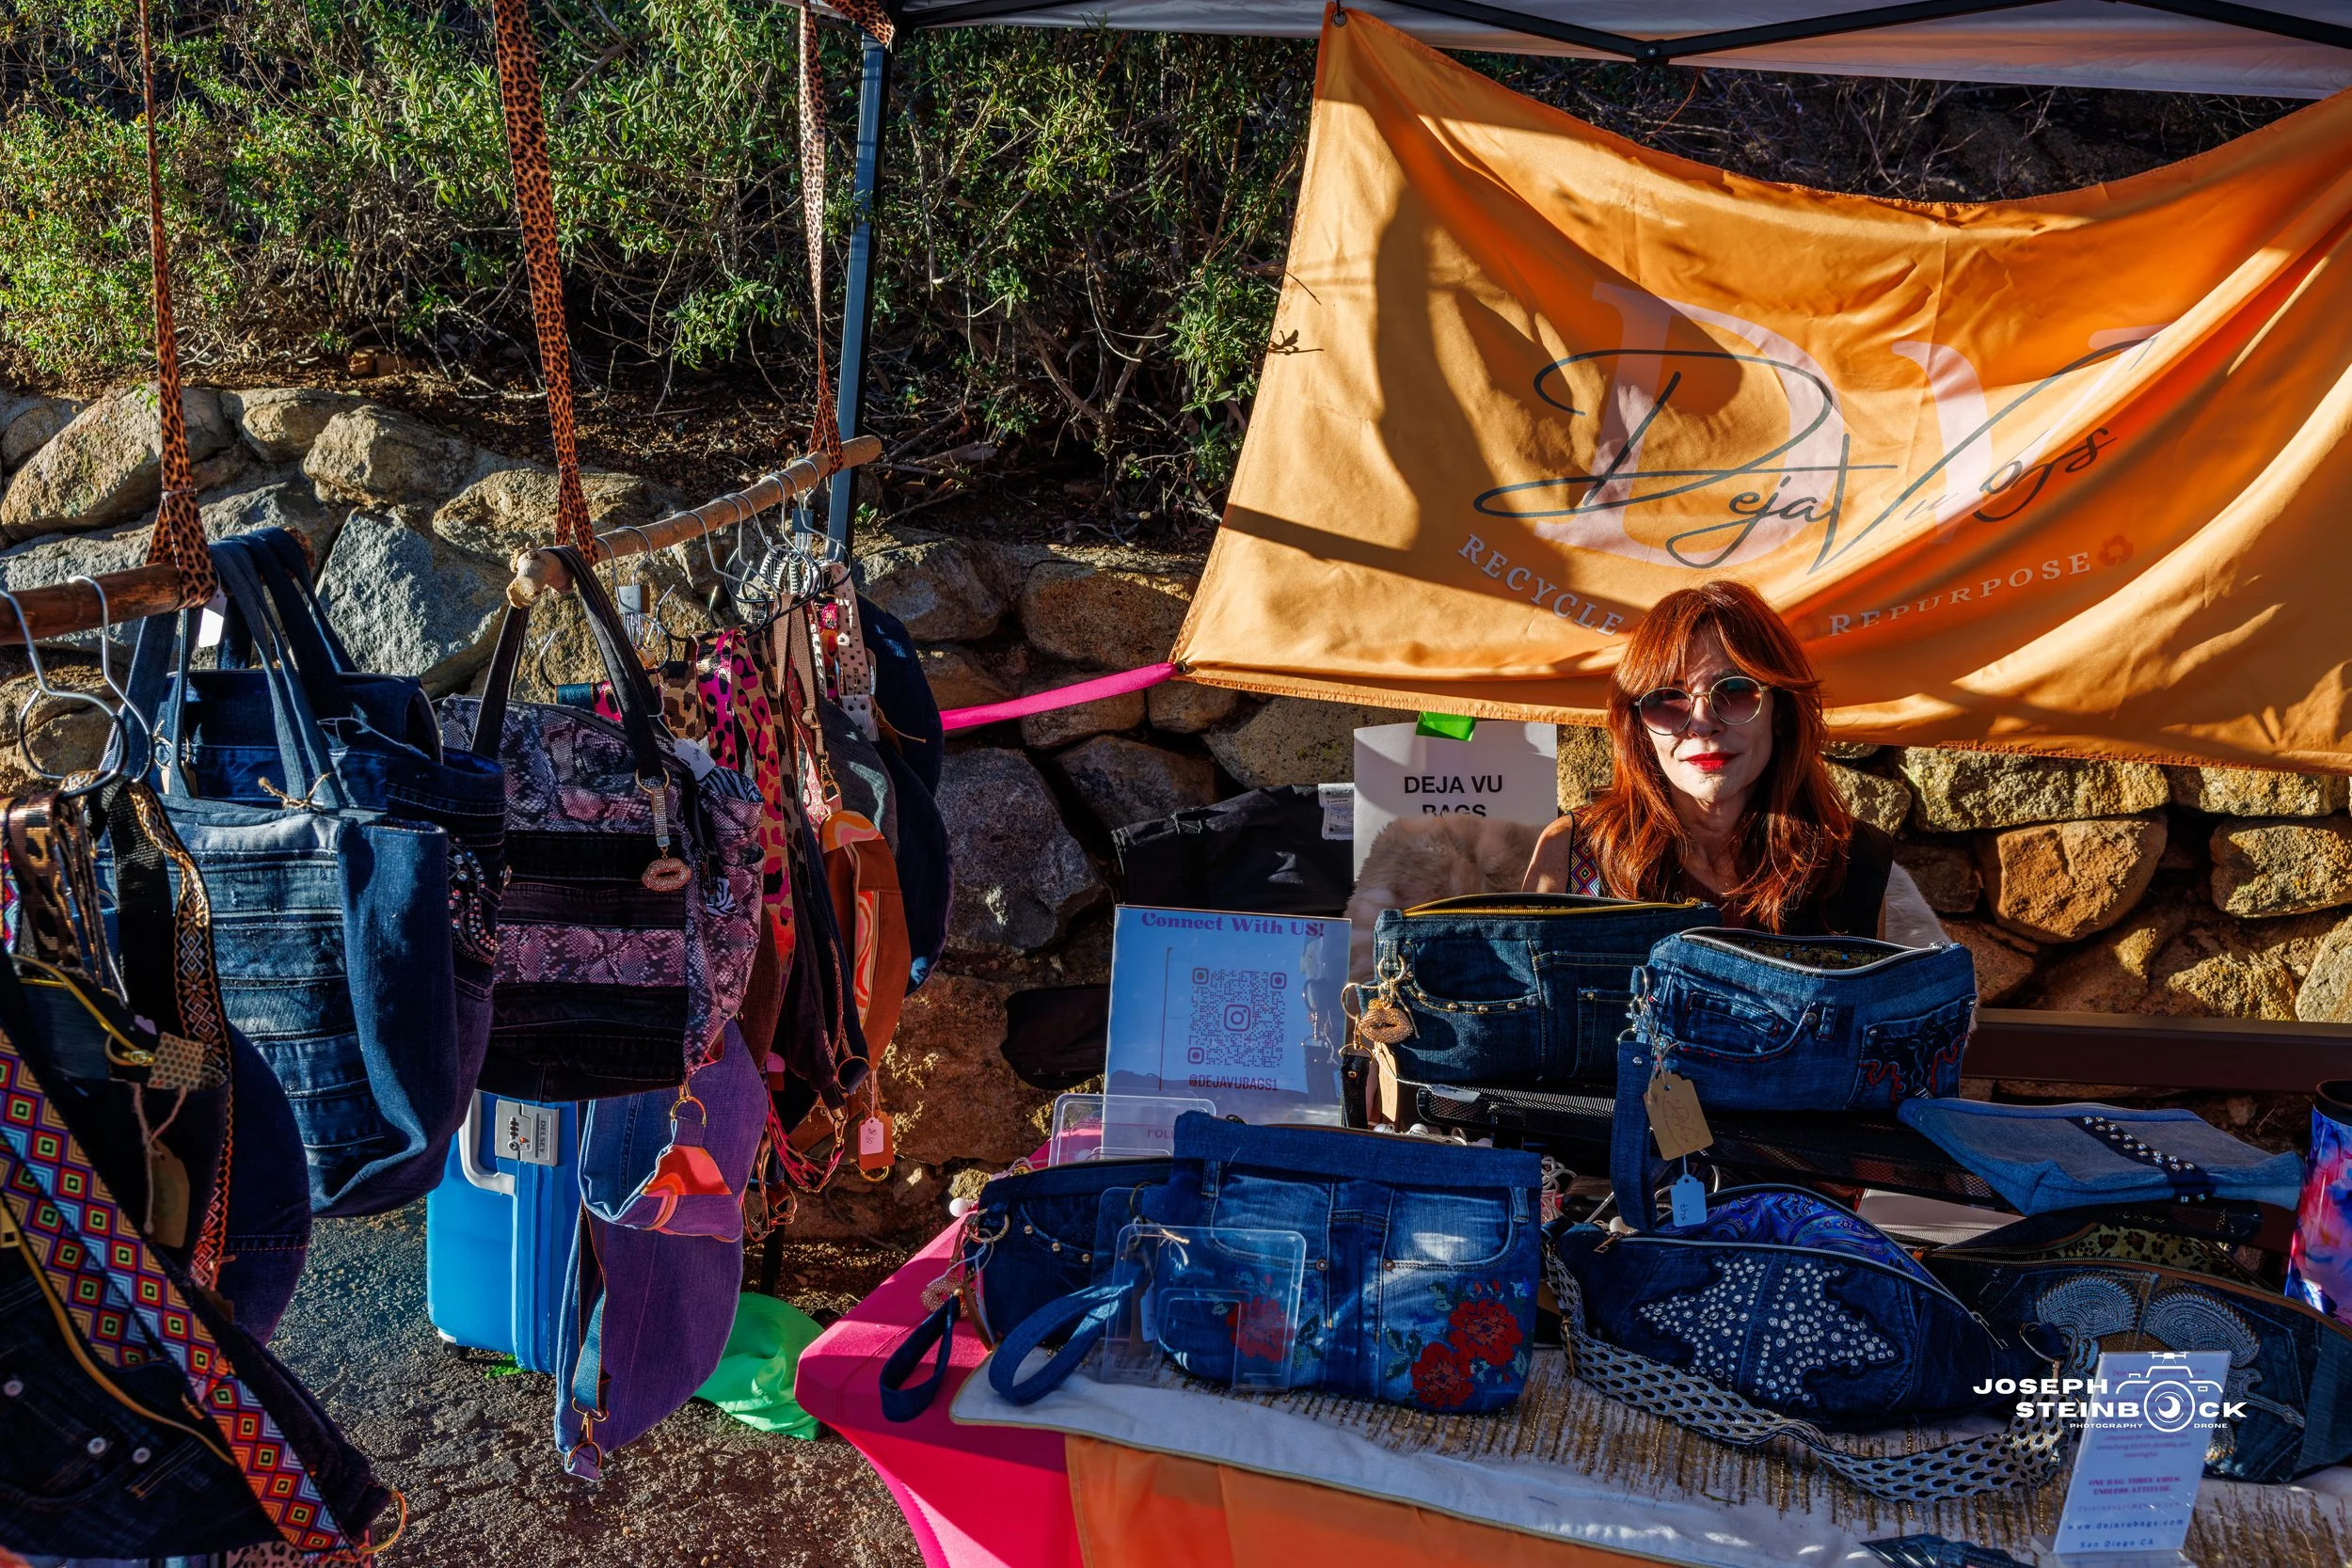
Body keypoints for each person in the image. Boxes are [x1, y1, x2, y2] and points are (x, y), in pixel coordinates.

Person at [1523, 580, 1943, 944]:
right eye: (1668, 697)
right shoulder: (1575, 856)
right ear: (1639, 725)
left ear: (1781, 712)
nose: (1702, 724)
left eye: (1737, 689)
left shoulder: (1854, 863)